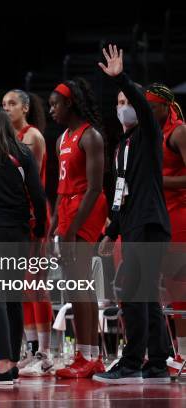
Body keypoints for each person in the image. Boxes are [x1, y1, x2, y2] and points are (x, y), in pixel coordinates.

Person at [93, 45, 172, 384]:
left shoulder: (149, 135)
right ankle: (155, 364)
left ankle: (132, 362)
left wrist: (121, 80)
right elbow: (121, 191)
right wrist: (112, 230)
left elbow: (140, 102)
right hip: (133, 225)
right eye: (119, 103)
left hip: (150, 223)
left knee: (132, 291)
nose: (123, 108)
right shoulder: (122, 145)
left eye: (128, 103)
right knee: (142, 294)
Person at [0, 108, 47, 385]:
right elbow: (38, 195)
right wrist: (40, 229)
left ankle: (2, 364)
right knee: (13, 296)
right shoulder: (24, 153)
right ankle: (12, 361)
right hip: (17, 232)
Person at [48, 76, 107, 379]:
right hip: (68, 208)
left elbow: (95, 188)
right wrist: (55, 225)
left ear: (70, 103)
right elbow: (60, 189)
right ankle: (82, 352)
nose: (51, 110)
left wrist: (72, 231)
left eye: (55, 104)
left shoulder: (90, 136)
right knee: (73, 285)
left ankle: (93, 355)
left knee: (82, 283)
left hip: (87, 207)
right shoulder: (61, 139)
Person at [2, 89, 54, 375]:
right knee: (21, 285)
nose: (7, 108)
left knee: (37, 284)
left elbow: (28, 182)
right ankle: (32, 348)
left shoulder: (32, 137)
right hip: (17, 216)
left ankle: (45, 352)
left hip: (34, 213)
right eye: (4, 105)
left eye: (12, 104)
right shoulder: (7, 139)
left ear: (25, 107)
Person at [146, 83, 186, 374]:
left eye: (151, 106)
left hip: (180, 215)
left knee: (179, 286)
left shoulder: (179, 131)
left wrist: (157, 182)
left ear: (164, 106)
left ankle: (184, 353)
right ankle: (173, 352)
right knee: (163, 289)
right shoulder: (153, 133)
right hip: (159, 215)